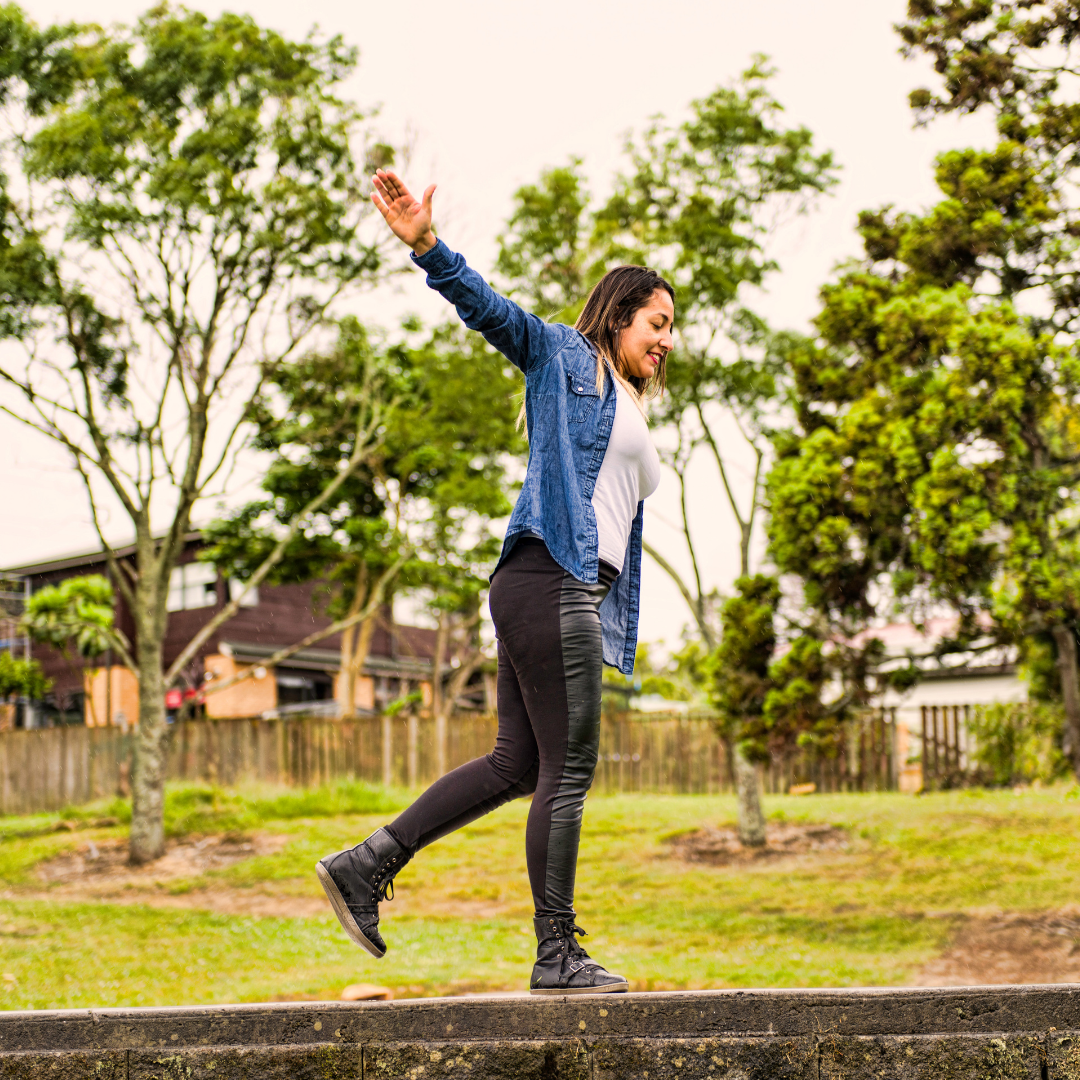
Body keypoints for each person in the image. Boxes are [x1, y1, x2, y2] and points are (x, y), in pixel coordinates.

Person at [317, 170, 673, 996]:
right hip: (552, 578)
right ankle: (557, 954)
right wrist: (429, 248)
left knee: (520, 763)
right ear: (619, 316)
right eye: (657, 324)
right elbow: (495, 313)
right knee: (567, 770)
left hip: (545, 588)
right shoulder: (563, 358)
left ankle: (365, 865)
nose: (665, 342)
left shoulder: (627, 399)